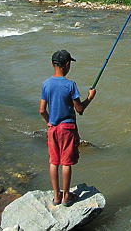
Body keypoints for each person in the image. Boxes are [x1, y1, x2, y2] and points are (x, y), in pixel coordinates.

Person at [40, 49, 96, 206]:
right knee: (66, 163)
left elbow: (42, 110)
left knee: (53, 161)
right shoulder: (70, 85)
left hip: (53, 127)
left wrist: (49, 122)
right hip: (67, 129)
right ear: (67, 65)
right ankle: (66, 197)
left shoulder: (46, 84)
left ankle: (56, 196)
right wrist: (90, 98)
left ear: (52, 64)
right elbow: (79, 109)